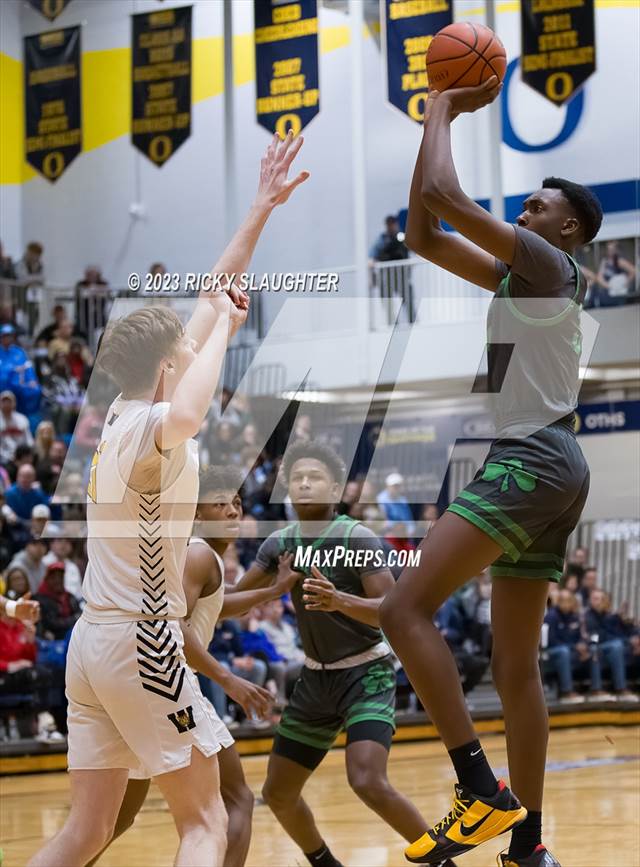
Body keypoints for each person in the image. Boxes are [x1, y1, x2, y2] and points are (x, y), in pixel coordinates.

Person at [27, 131, 309, 867]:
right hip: (142, 642)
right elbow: (188, 410)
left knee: (84, 831)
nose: (193, 352)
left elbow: (213, 292)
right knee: (204, 821)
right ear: (163, 369)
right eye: (182, 355)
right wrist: (228, 337)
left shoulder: (115, 416)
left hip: (95, 644)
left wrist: (260, 209)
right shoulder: (152, 425)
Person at [378, 76, 603, 867]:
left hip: (532, 455)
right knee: (516, 668)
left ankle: (480, 788)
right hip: (557, 462)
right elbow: (424, 234)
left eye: (536, 207)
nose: (524, 214)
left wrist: (440, 105)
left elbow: (444, 193)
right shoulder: (524, 279)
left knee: (402, 609)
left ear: (565, 225)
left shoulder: (548, 263)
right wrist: (429, 128)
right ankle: (529, 843)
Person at [235, 441, 450, 867]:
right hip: (315, 679)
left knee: (367, 780)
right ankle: (324, 863)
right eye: (297, 478)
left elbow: (392, 614)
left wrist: (340, 602)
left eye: (315, 477)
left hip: (366, 673)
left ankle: (442, 862)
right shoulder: (279, 544)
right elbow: (232, 602)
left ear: (335, 488)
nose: (305, 484)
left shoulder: (357, 537)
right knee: (278, 792)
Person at [94, 464, 299, 867]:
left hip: (136, 679)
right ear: (196, 512)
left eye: (236, 503)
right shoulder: (198, 553)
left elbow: (215, 605)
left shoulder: (203, 558)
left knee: (115, 817)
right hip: (167, 679)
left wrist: (273, 590)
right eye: (219, 503)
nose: (232, 510)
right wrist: (228, 679)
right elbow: (172, 624)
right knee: (235, 799)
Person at [584, 589, 638, 702]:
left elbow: (624, 631)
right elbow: (599, 637)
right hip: (596, 647)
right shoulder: (588, 616)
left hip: (611, 646)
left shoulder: (608, 615)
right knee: (616, 645)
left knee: (623, 645)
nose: (597, 602)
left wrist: (634, 638)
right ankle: (618, 688)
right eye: (594, 599)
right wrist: (627, 641)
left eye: (599, 599)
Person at [594, 240, 637, 306]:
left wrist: (625, 283)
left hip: (619, 292)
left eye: (612, 249)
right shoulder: (605, 261)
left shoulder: (619, 261)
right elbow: (599, 277)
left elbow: (633, 271)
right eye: (608, 249)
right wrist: (608, 286)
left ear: (615, 250)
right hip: (610, 291)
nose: (610, 251)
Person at [377, 472, 416, 537]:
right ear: (387, 486)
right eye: (394, 486)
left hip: (402, 533)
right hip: (388, 532)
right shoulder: (380, 499)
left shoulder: (403, 500)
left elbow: (409, 521)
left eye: (398, 486)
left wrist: (410, 531)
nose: (396, 489)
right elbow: (383, 520)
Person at [0, 389, 34, 464]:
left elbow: (29, 440)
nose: (6, 404)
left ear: (14, 403)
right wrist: (9, 457)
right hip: (4, 459)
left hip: (22, 456)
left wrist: (27, 454)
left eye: (9, 401)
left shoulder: (22, 419)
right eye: (4, 401)